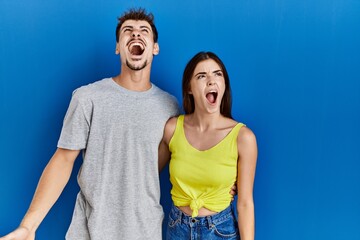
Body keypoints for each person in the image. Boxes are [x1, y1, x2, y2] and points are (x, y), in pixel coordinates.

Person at [0, 8, 180, 240]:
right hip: (89, 232)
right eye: (128, 31)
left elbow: (167, 162)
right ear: (118, 47)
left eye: (143, 31)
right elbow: (63, 160)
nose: (136, 35)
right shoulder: (87, 97)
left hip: (145, 231)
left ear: (155, 47)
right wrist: (28, 226)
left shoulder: (169, 106)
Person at [158, 51, 258, 240]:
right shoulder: (172, 129)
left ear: (224, 84)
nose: (211, 81)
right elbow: (147, 176)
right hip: (176, 227)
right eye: (202, 76)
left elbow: (245, 203)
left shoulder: (243, 138)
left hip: (220, 230)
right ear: (189, 88)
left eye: (217, 74)